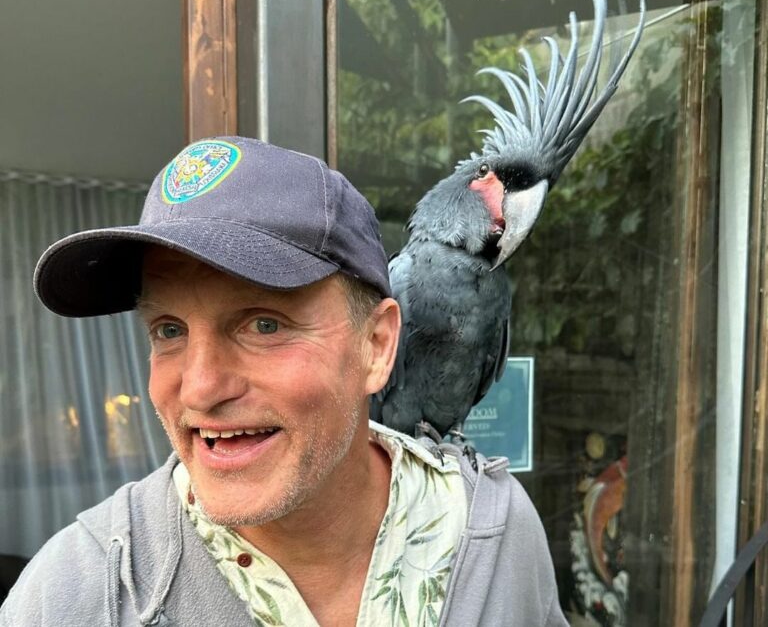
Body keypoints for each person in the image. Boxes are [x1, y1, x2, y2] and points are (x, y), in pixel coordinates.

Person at [0, 137, 568, 627]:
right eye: (168, 330)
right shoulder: (72, 594)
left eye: (264, 324)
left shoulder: (500, 532)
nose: (199, 390)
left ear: (377, 346)